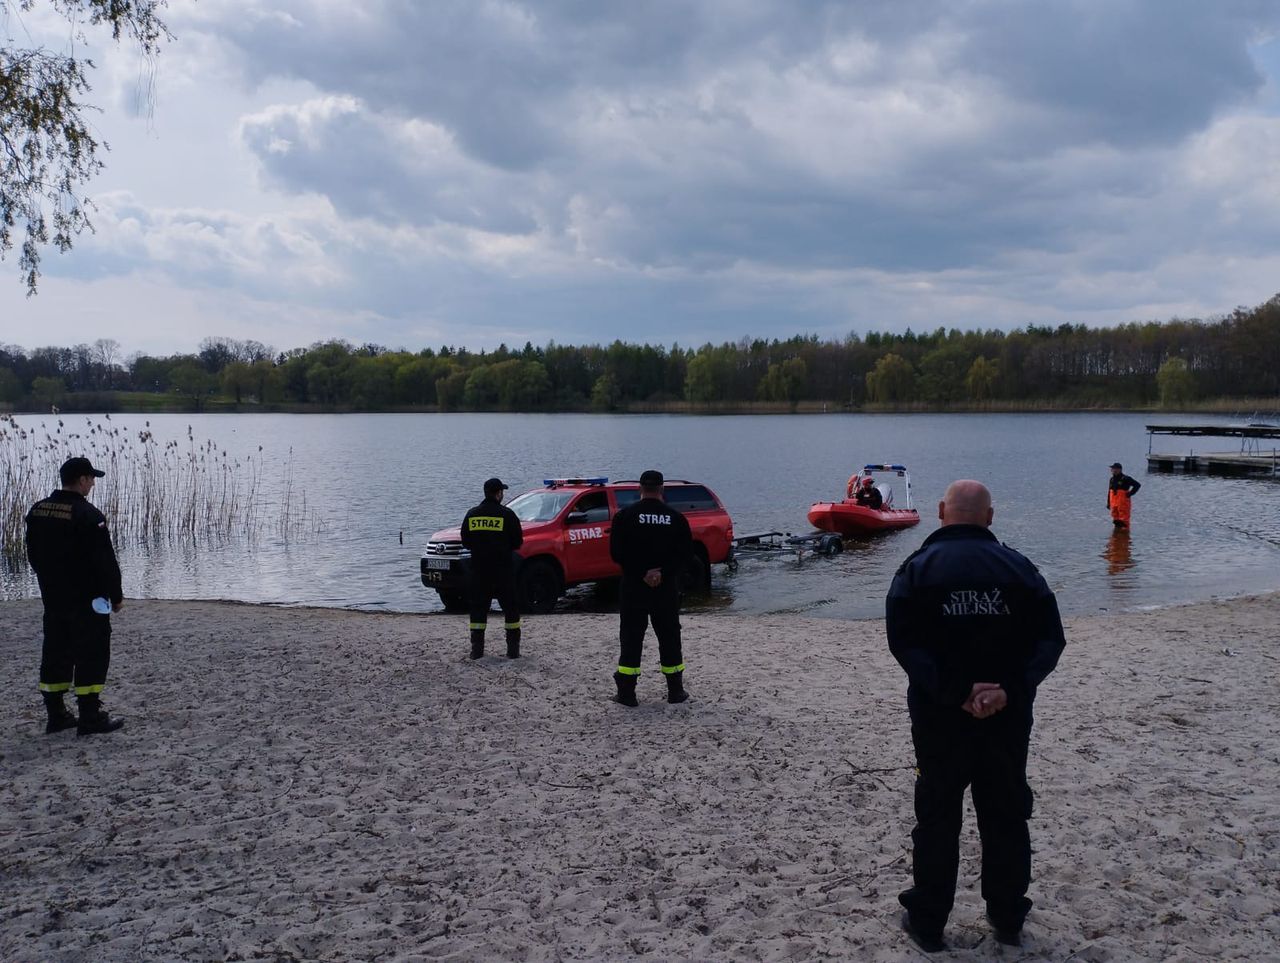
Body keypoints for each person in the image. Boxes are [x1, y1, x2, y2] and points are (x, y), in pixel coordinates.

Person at [886, 480, 1065, 953]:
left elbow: (905, 643)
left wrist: (956, 693)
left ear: (941, 512)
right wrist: (1009, 689)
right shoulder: (1020, 569)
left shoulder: (917, 570)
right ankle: (1007, 915)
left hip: (940, 720)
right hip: (1005, 718)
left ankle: (928, 920)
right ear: (990, 516)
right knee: (1005, 813)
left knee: (938, 816)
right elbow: (1050, 640)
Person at [25, 456, 126, 736]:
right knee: (91, 654)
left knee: (56, 652)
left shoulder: (38, 511)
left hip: (54, 597)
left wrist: (48, 581)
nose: (93, 483)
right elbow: (104, 561)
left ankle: (56, 714)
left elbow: (32, 553)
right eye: (91, 478)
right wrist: (116, 596)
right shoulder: (88, 515)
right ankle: (90, 717)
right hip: (87, 599)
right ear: (81, 480)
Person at [608, 469, 693, 706]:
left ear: (640, 489)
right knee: (669, 635)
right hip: (665, 588)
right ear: (662, 489)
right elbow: (685, 555)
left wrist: (641, 573)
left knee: (631, 635)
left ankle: (627, 693)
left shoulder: (625, 517)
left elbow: (617, 553)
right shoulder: (675, 518)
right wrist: (662, 573)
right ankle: (675, 691)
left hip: (634, 586)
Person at [460, 477, 524, 659]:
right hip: (503, 571)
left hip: (479, 572)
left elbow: (465, 541)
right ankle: (513, 651)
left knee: (478, 611)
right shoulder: (507, 515)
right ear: (499, 493)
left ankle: (477, 651)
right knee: (511, 609)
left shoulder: (472, 514)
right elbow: (518, 542)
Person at [1107, 462, 1141, 528]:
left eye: (1114, 469)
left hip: (1123, 503)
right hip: (1114, 504)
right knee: (1115, 520)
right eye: (1112, 469)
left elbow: (1137, 485)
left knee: (1124, 520)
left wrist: (1130, 493)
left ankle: (1125, 536)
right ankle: (1116, 536)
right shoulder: (1112, 479)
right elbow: (1109, 492)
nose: (1112, 470)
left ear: (1119, 469)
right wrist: (1108, 503)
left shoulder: (1126, 478)